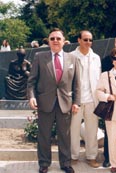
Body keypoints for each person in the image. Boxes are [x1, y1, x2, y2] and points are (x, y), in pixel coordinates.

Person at [27, 28, 81, 173]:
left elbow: (77, 83)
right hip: (45, 103)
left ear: (64, 41)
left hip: (65, 103)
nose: (55, 41)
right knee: (44, 135)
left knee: (65, 136)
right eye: (52, 39)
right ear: (48, 41)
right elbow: (31, 81)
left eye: (58, 38)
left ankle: (65, 163)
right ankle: (44, 164)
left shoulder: (73, 59)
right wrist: (32, 97)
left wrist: (76, 102)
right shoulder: (40, 57)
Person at [70, 30, 101, 168]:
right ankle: (73, 156)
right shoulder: (70, 56)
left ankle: (91, 156)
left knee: (92, 130)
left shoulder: (96, 58)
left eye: (90, 40)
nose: (88, 42)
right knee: (73, 130)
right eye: (85, 39)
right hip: (75, 101)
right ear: (79, 40)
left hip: (92, 101)